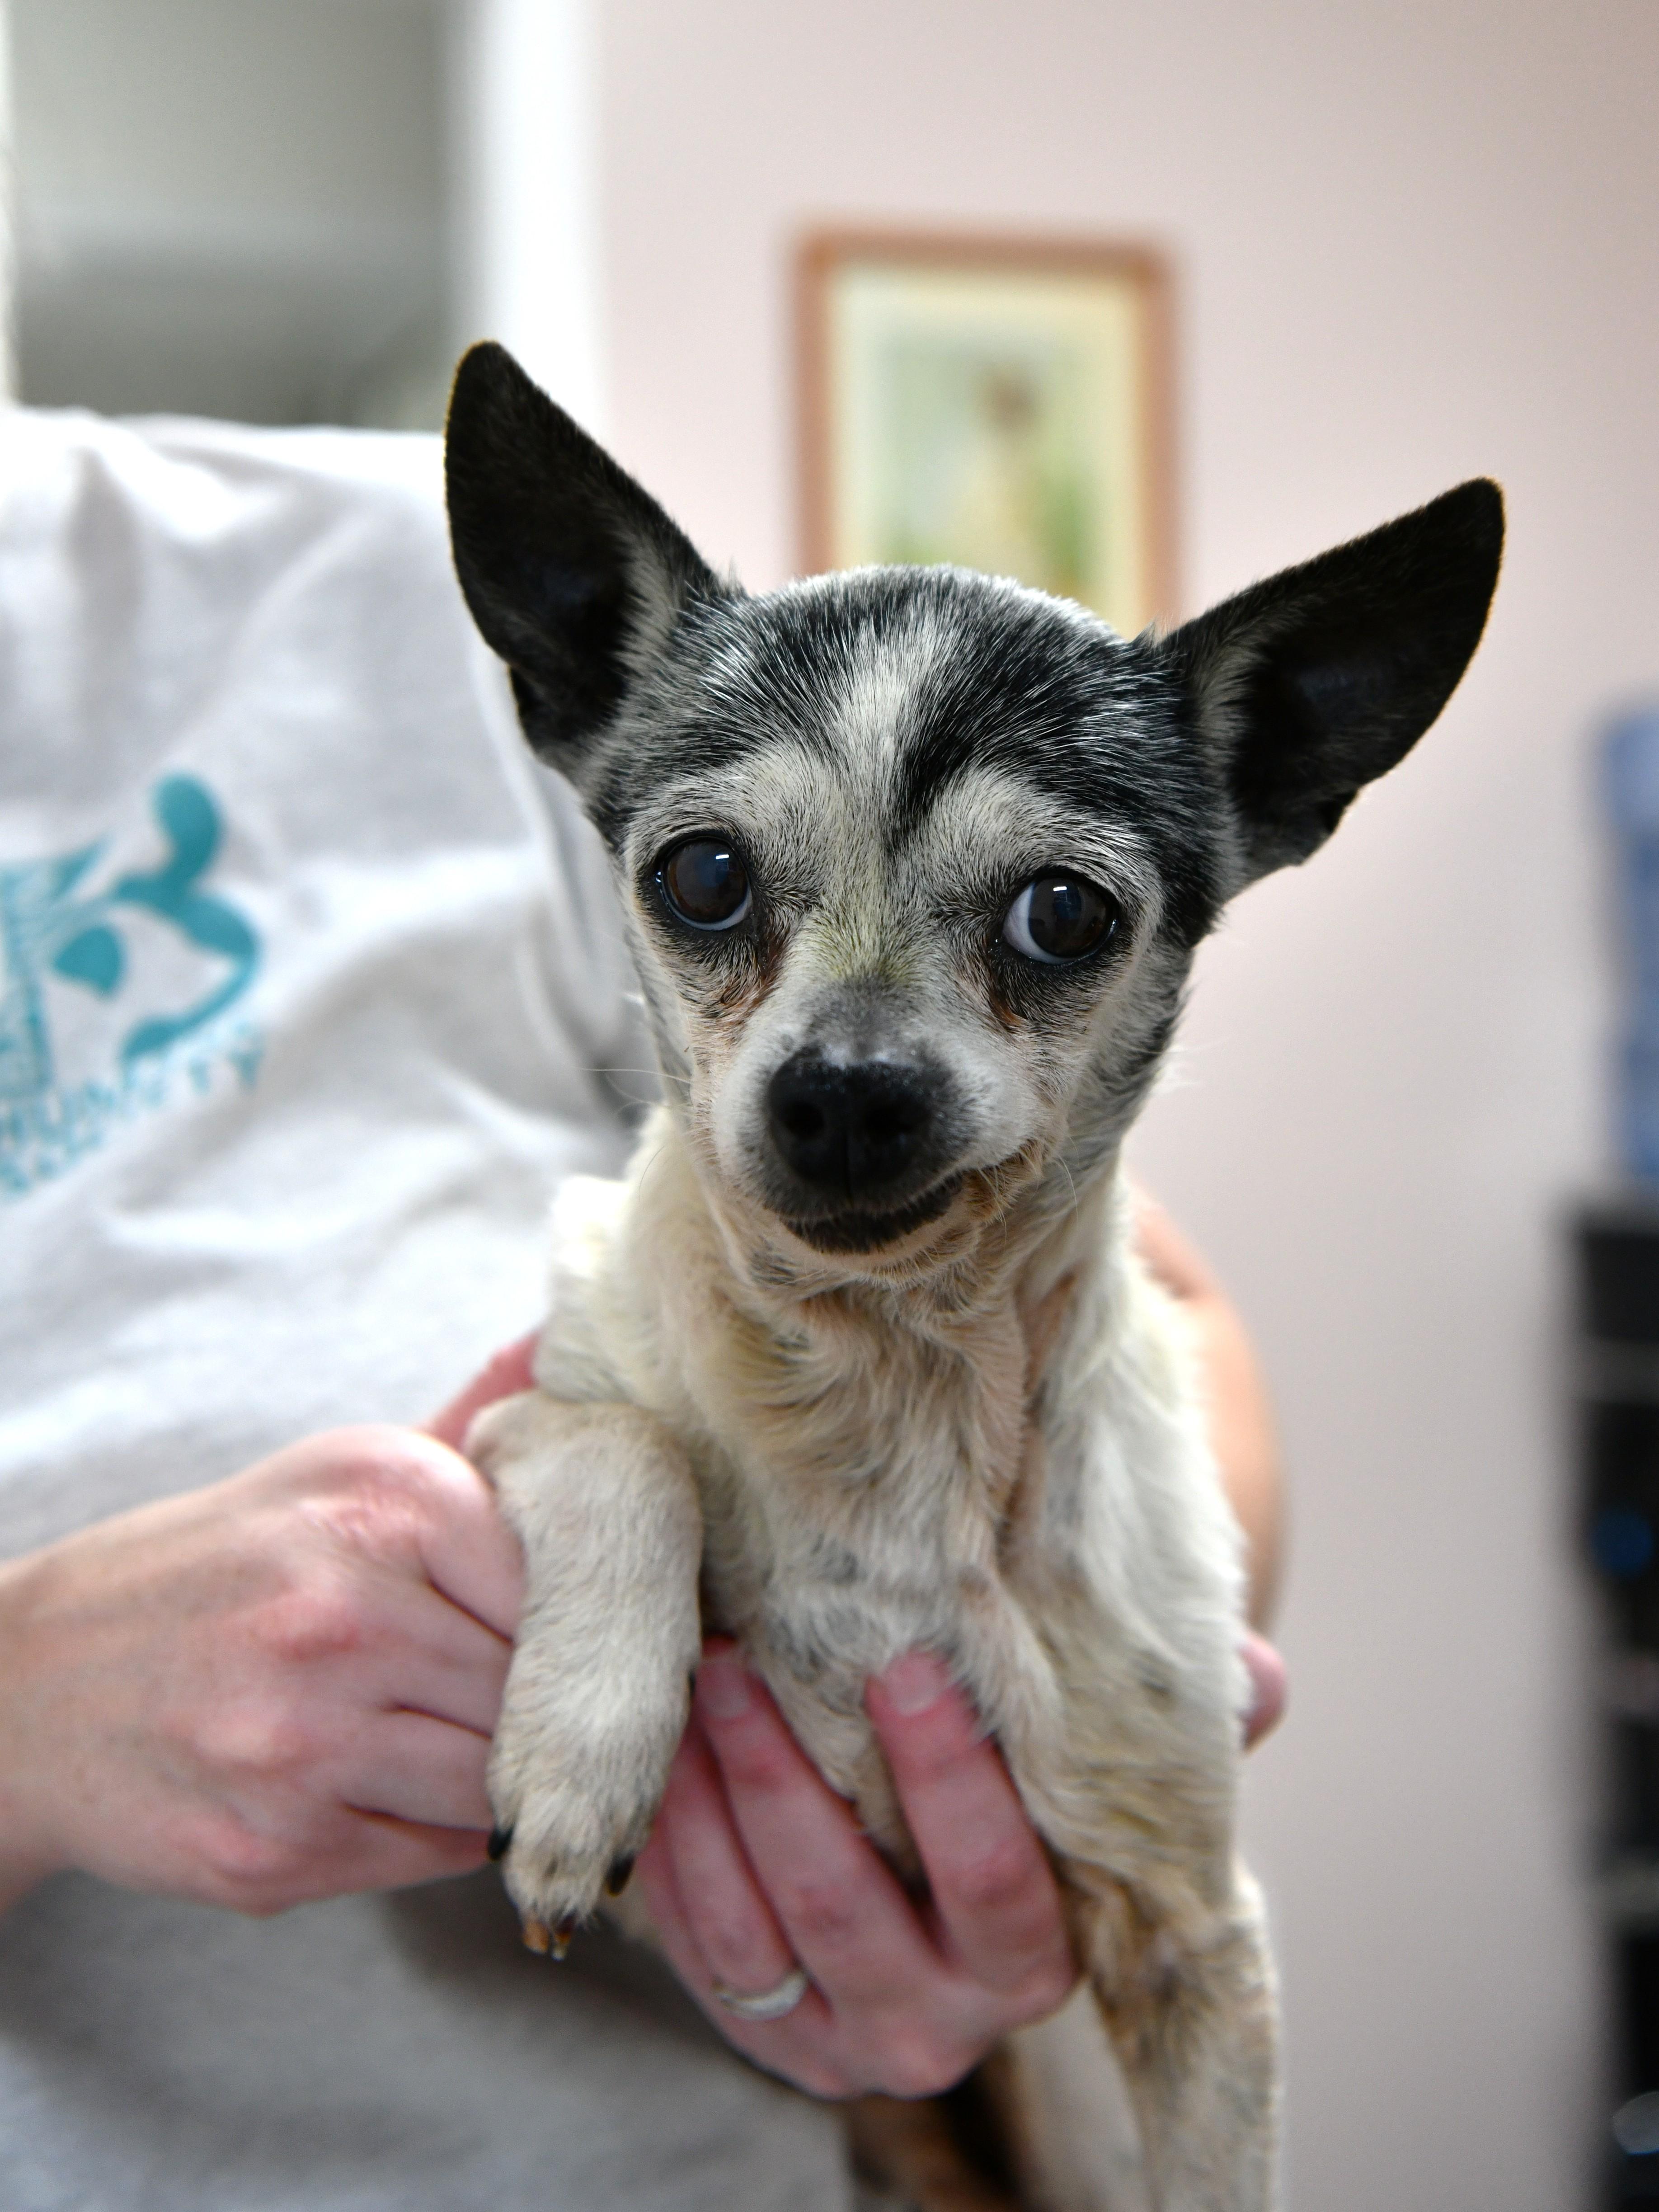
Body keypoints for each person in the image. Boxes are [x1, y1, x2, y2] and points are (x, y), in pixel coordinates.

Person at [0, 403, 1282, 2209]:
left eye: (1053, 924)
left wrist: (1103, 1698)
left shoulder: (358, 577)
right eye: (711, 891)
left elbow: (1163, 1323)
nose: (841, 1064)